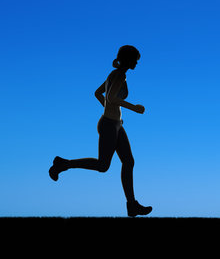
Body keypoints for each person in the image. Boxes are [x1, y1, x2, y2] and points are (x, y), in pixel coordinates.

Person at [49, 45, 152, 217]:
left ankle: (132, 205)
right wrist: (134, 108)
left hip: (116, 124)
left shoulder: (114, 74)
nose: (137, 63)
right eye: (135, 60)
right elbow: (111, 97)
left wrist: (110, 110)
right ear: (128, 59)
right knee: (103, 166)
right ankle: (63, 164)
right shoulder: (119, 75)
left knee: (129, 161)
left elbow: (98, 94)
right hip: (109, 125)